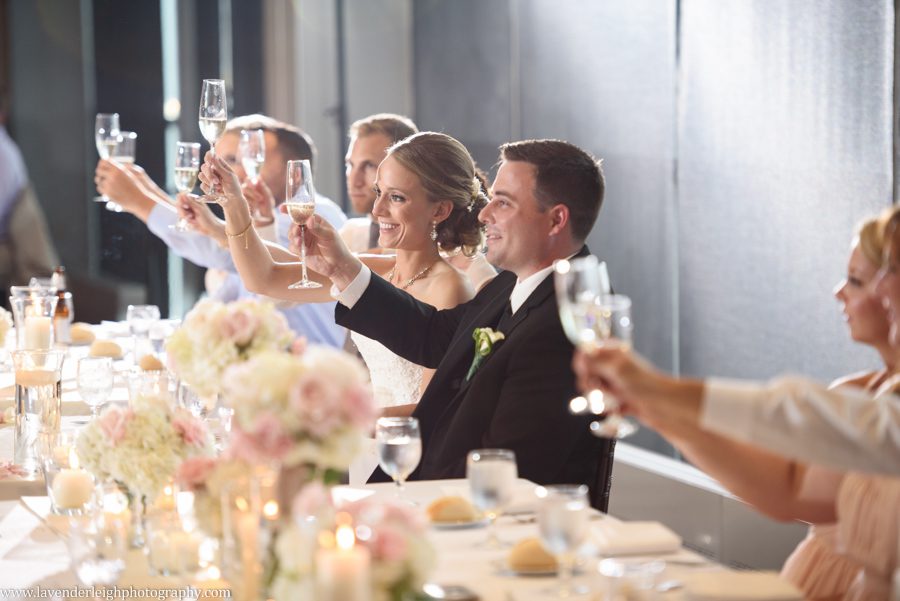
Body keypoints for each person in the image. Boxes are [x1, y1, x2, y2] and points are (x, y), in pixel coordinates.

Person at [269, 138, 612, 496]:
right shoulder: (513, 282)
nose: (483, 213)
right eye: (491, 197)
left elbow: (510, 468)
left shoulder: (569, 322)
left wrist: (403, 500)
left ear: (556, 219)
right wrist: (341, 269)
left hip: (469, 509)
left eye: (504, 203)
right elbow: (435, 337)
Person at [586, 216, 897, 599]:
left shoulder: (871, 411)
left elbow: (789, 412)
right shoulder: (863, 389)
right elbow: (788, 489)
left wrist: (658, 389)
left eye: (858, 280)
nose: (839, 293)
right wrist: (654, 410)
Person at [200, 132, 488, 409]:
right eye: (379, 193)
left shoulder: (451, 287)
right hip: (361, 441)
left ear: (439, 211)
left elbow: (432, 410)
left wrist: (338, 420)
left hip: (399, 447)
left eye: (397, 197)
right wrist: (233, 203)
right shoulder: (377, 265)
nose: (377, 209)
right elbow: (263, 277)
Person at [94, 115, 348, 347]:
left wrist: (140, 200)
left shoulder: (314, 214)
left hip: (305, 368)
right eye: (225, 159)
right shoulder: (259, 216)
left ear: (291, 166)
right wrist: (145, 188)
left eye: (238, 159)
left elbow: (236, 254)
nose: (225, 171)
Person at [338, 113, 496, 291]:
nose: (354, 180)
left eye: (369, 165)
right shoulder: (364, 242)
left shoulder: (461, 274)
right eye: (350, 165)